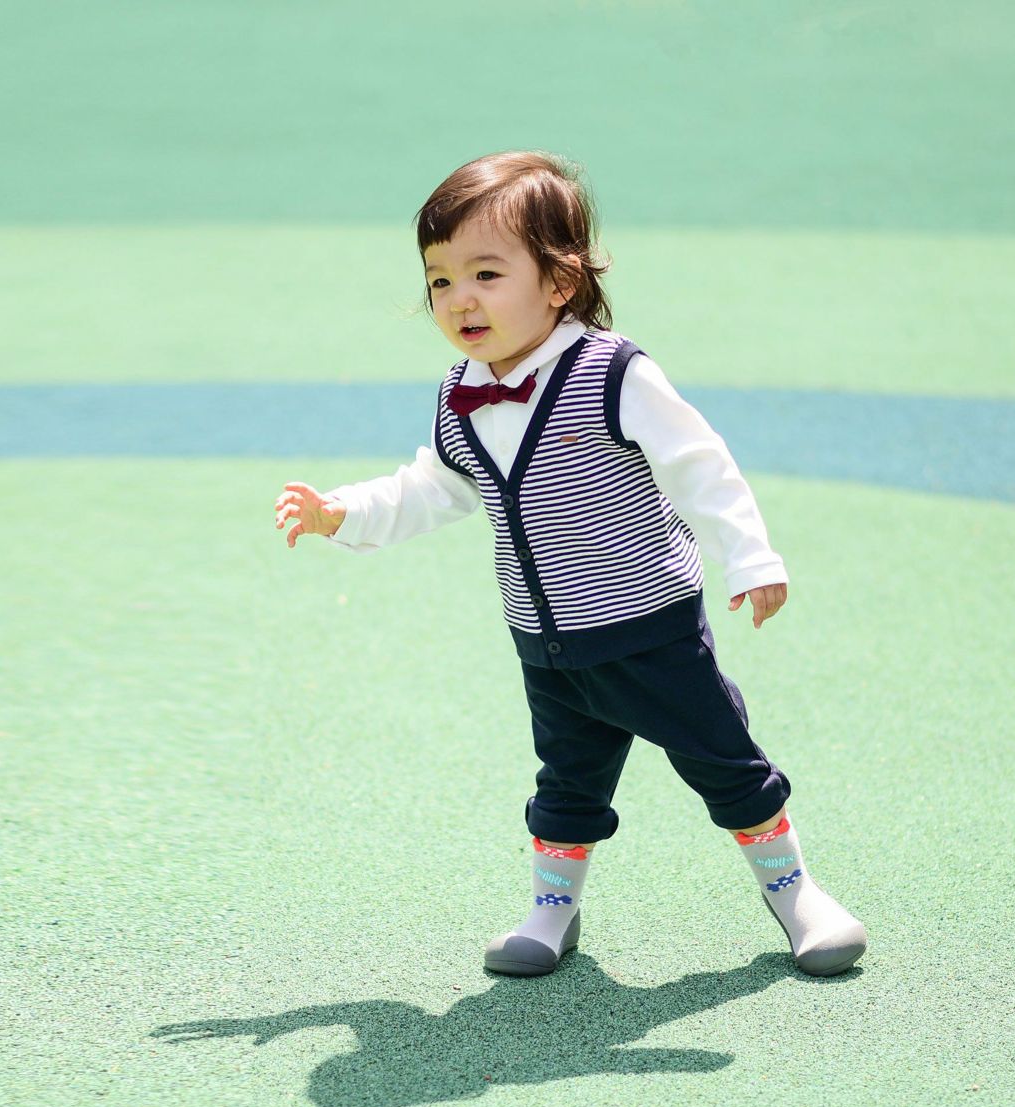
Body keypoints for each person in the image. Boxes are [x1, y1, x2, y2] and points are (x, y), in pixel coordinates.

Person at [274, 150, 866, 978]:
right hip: (548, 645)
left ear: (560, 282)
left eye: (487, 273)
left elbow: (699, 464)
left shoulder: (614, 373)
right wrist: (343, 512)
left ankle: (797, 894)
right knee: (566, 784)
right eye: (440, 279)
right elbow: (435, 486)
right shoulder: (460, 393)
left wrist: (750, 557)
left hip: (650, 630)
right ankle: (553, 910)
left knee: (725, 764)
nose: (460, 298)